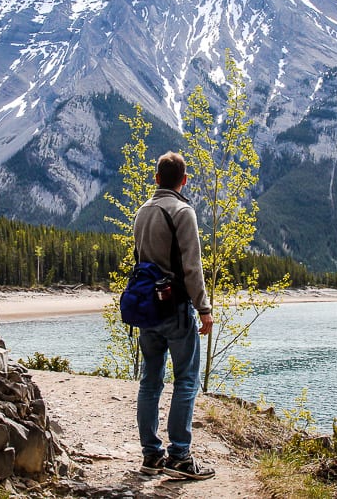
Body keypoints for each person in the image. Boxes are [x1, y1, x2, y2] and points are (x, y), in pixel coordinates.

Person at [132, 151, 215, 480]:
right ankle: (180, 456)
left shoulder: (141, 212)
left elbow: (140, 262)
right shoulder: (183, 212)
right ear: (184, 181)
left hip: (147, 309)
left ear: (156, 179)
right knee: (186, 381)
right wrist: (204, 308)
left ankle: (151, 455)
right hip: (176, 308)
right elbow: (192, 268)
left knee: (150, 382)